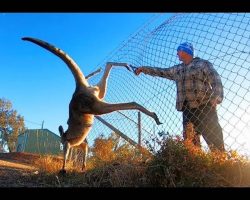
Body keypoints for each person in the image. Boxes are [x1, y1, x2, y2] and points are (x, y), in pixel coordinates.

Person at [132, 42, 225, 152]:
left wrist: (216, 97)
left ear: (186, 51)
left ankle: (223, 163)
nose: (177, 53)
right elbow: (161, 72)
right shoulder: (177, 69)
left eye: (178, 51)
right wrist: (144, 69)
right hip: (187, 110)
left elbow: (215, 79)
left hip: (204, 107)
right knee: (191, 145)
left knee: (214, 140)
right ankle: (196, 165)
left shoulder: (202, 64)